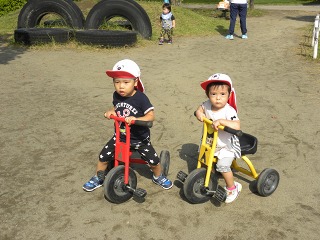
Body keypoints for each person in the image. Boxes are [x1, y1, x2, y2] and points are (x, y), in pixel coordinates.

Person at [83, 59, 173, 192]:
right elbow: (117, 108)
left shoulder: (141, 98)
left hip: (139, 139)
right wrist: (111, 112)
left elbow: (151, 116)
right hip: (120, 137)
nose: (121, 86)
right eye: (117, 82)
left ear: (135, 82)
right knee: (103, 157)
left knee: (153, 161)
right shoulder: (117, 95)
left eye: (126, 82)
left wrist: (136, 119)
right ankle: (98, 177)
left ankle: (158, 176)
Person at [195, 73, 242, 203]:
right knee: (203, 158)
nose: (218, 98)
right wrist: (199, 113)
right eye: (213, 94)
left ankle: (233, 187)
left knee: (222, 166)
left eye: (222, 94)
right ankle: (205, 177)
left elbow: (237, 125)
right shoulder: (207, 104)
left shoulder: (229, 111)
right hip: (211, 142)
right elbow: (200, 109)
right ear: (208, 95)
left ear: (229, 95)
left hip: (227, 146)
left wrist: (222, 121)